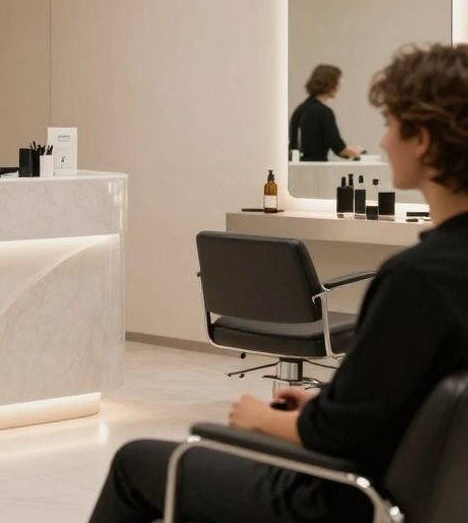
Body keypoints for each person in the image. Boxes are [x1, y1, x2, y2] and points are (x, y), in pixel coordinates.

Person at [89, 43, 468, 523]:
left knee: (134, 463)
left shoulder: (418, 279)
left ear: (424, 139)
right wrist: (326, 402)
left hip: (341, 498)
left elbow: (337, 437)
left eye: (392, 123)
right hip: (431, 492)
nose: (386, 140)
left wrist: (262, 419)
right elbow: (419, 401)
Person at [289, 64, 363, 160]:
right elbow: (338, 147)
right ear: (331, 85)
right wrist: (359, 152)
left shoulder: (300, 109)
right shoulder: (324, 112)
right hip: (316, 170)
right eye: (337, 84)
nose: (338, 88)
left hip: (297, 168)